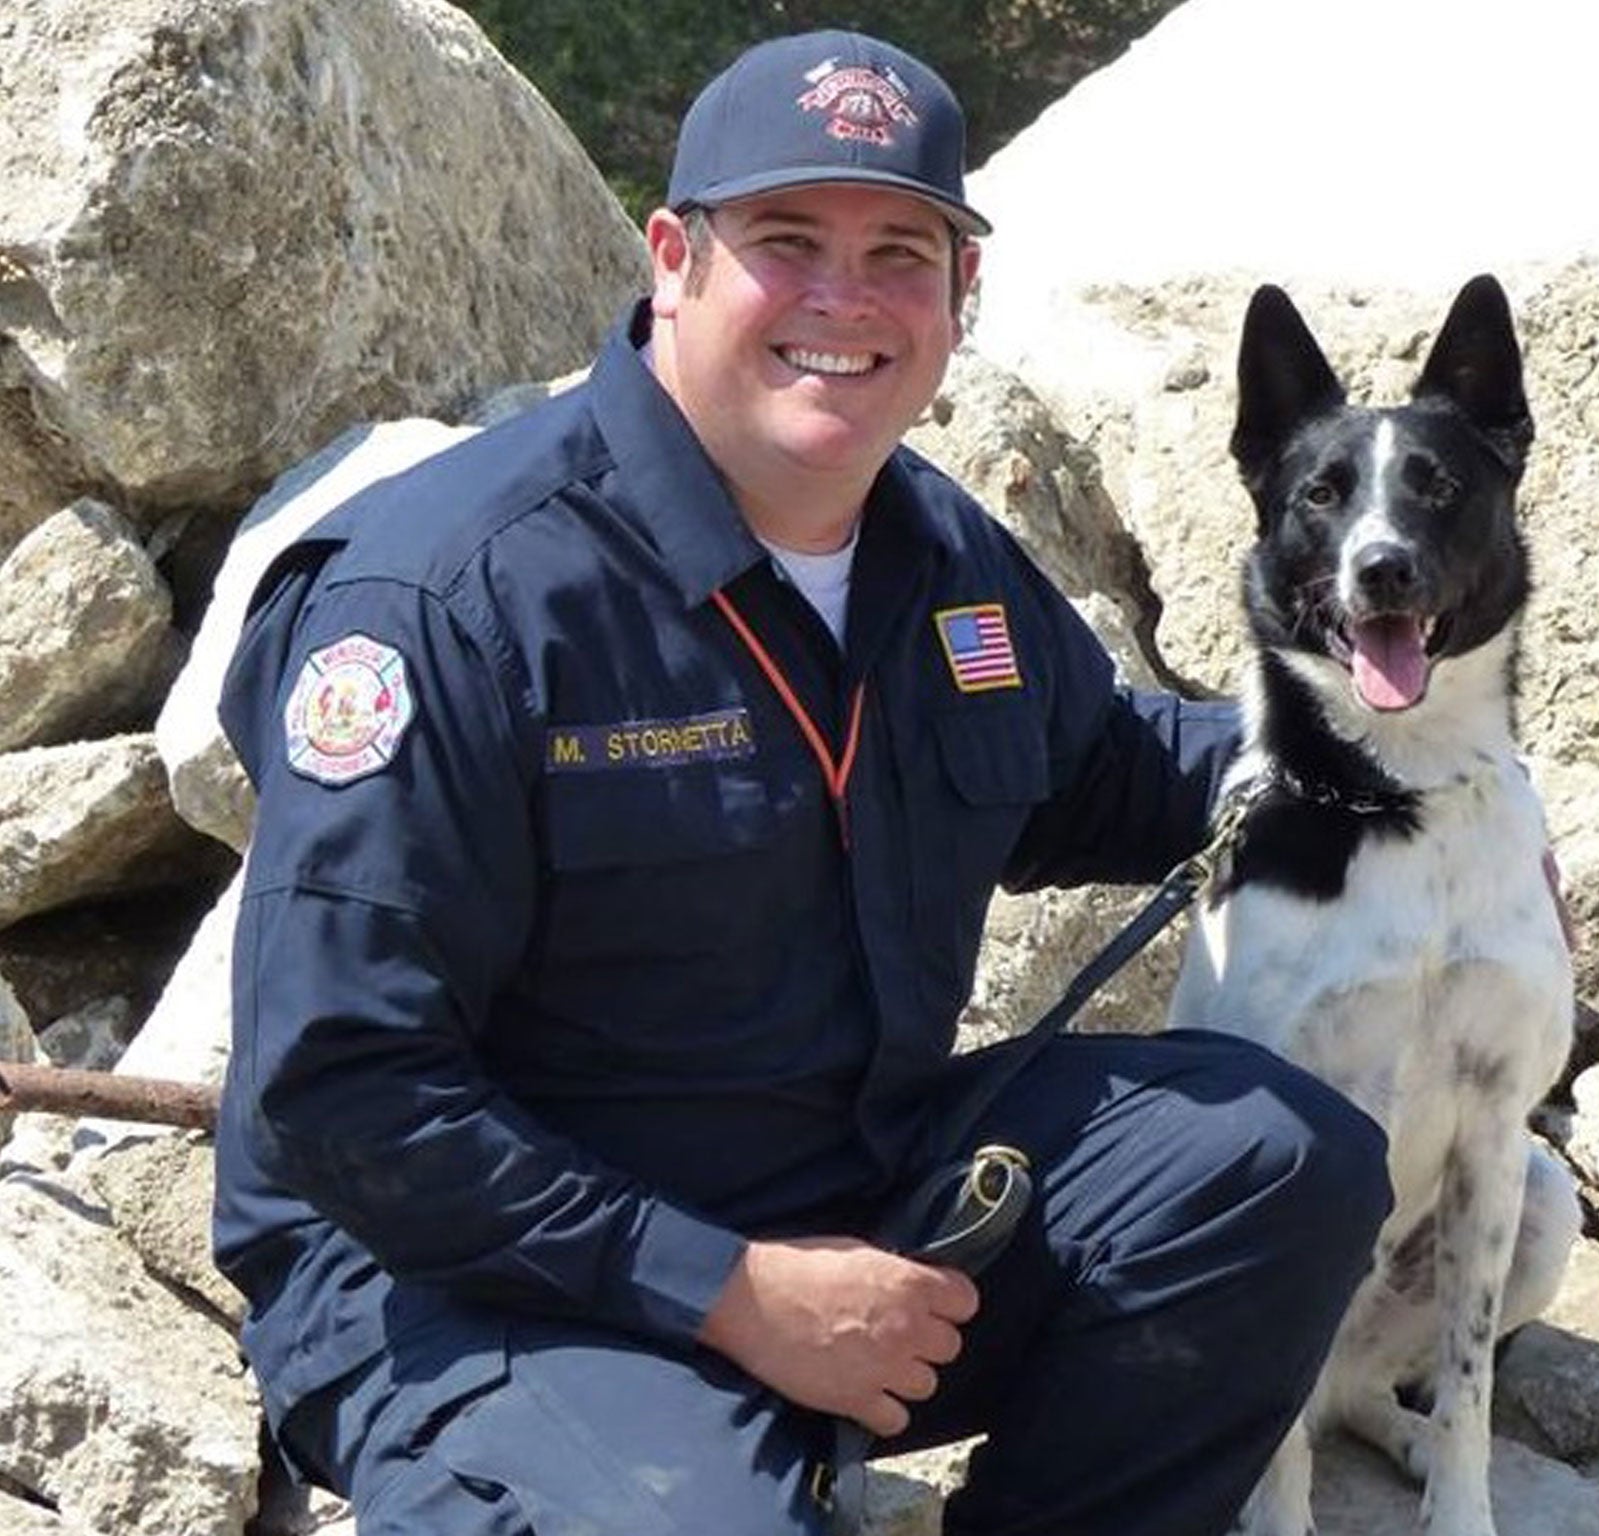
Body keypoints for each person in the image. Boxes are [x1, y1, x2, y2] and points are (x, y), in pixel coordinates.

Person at [213, 28, 1392, 1536]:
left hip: (848, 1185)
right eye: (786, 241)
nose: (845, 299)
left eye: (901, 250)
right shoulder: (453, 599)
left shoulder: (937, 557)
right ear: (672, 258)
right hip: (473, 1273)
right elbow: (349, 1090)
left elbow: (1104, 772)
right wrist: (734, 1294)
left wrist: (1413, 783)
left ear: (962, 294)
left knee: (1271, 1166)